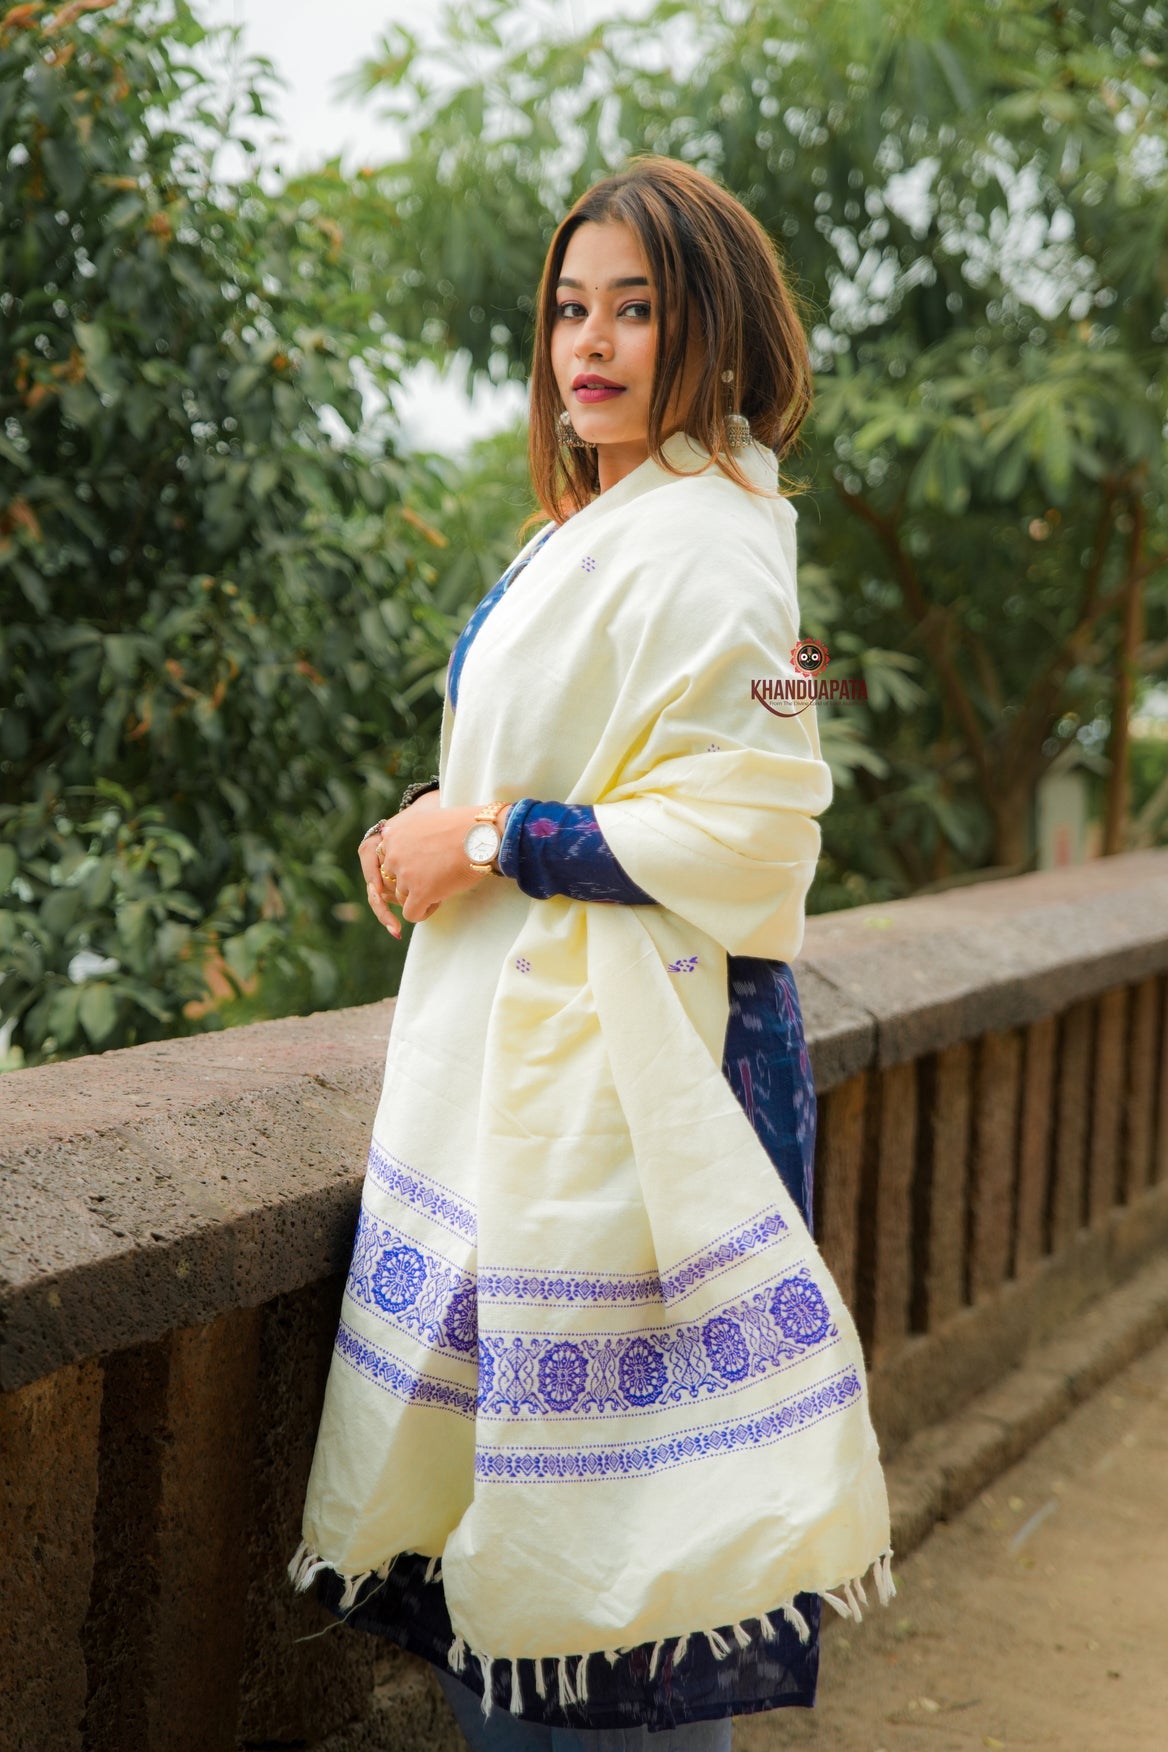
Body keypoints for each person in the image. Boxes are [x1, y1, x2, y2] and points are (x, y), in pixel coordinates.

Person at [289, 157, 892, 1751]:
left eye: (638, 308)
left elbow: (759, 829)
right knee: (578, 1569)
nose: (592, 344)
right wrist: (454, 816)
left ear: (717, 332)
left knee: (627, 1574)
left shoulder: (714, 535)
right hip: (560, 1077)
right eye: (572, 308)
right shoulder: (619, 522)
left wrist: (488, 842)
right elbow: (606, 759)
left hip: (659, 1086)